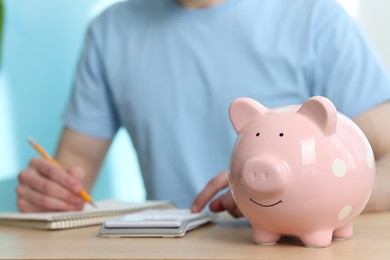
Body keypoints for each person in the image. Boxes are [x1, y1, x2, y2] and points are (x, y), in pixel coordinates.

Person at [16, 0, 390, 216]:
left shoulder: (316, 18)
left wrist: (301, 195)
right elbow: (74, 165)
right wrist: (50, 194)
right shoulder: (109, 31)